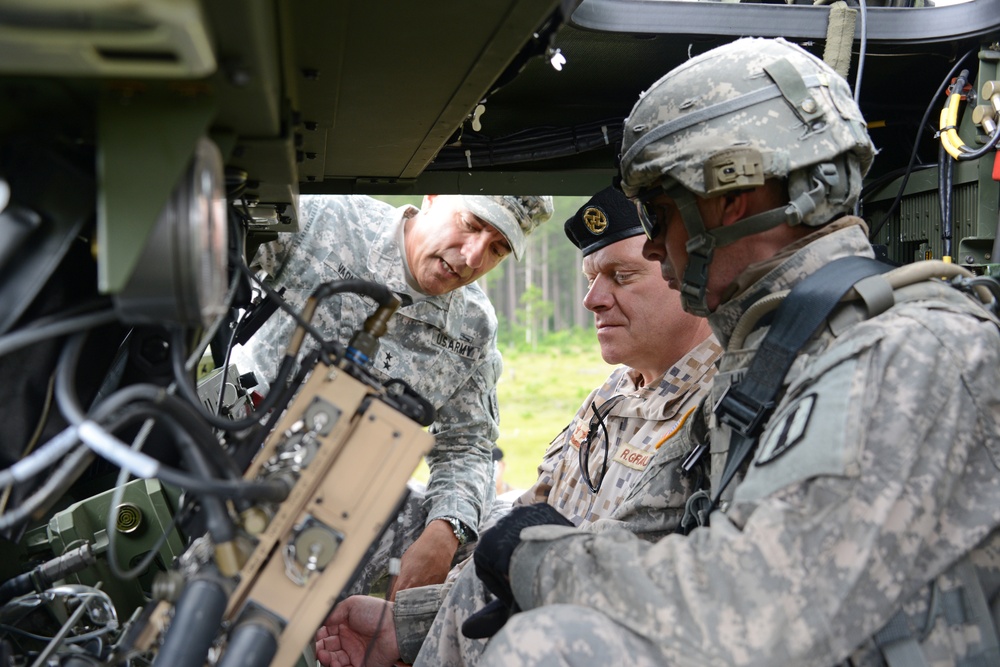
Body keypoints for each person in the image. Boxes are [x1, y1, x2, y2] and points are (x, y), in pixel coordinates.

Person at [458, 37, 1000, 667]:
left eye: (658, 215)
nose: (656, 249)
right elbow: (652, 525)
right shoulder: (776, 355)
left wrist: (537, 562)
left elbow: (753, 606)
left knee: (551, 648)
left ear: (725, 200)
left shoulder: (910, 355)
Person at [314, 186, 722, 666]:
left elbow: (573, 577)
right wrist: (403, 627)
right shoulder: (612, 396)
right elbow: (519, 531)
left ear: (683, 275)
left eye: (621, 276)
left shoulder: (716, 413)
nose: (592, 300)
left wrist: (411, 631)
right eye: (591, 277)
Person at [232, 193, 553, 595]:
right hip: (235, 455)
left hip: (344, 497)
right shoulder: (323, 220)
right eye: (470, 225)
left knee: (500, 540)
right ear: (432, 197)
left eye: (498, 248)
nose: (474, 258)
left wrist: (445, 533)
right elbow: (210, 272)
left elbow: (466, 445)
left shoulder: (472, 325)